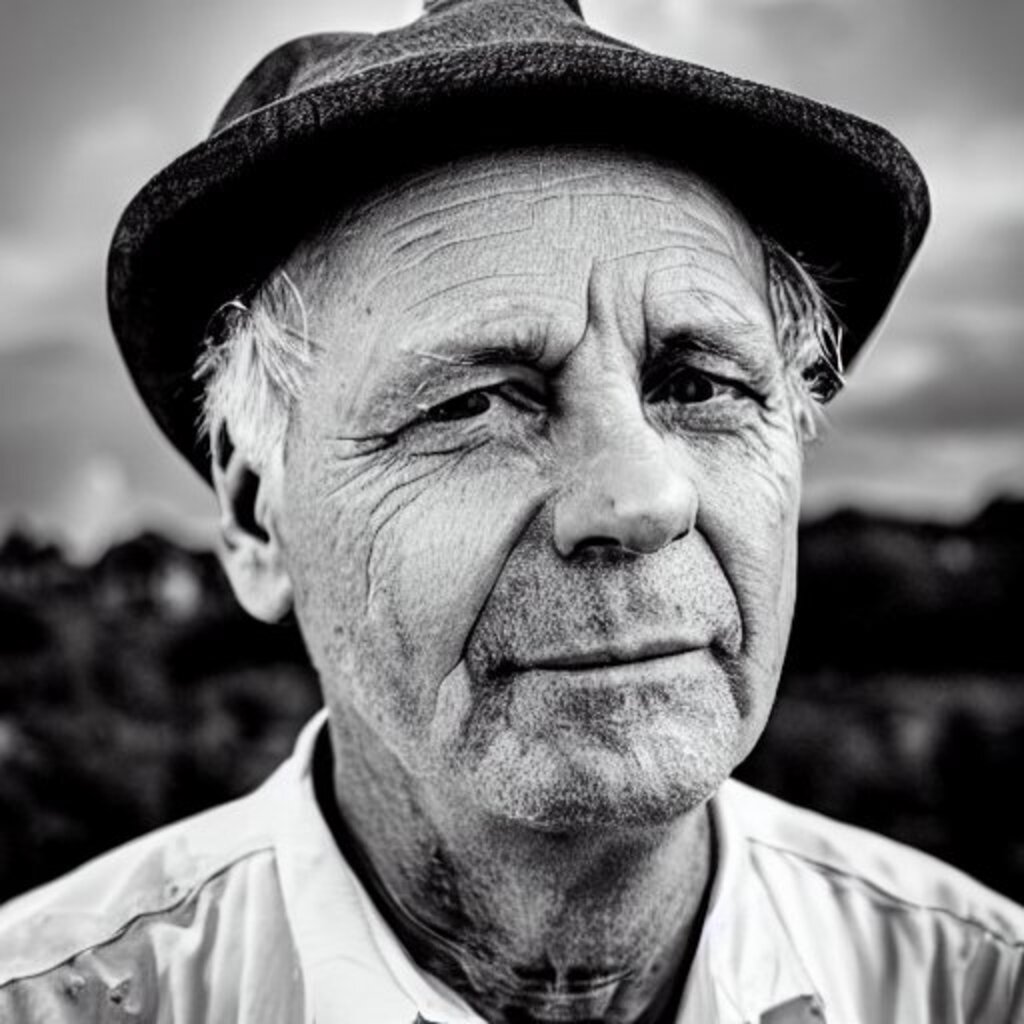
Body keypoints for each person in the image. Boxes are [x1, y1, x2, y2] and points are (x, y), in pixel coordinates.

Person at [1, 1, 1021, 1021]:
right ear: (257, 517)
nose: (642, 501)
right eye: (473, 403)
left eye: (700, 386)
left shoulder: (975, 987)